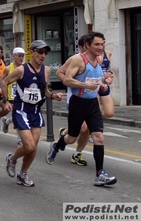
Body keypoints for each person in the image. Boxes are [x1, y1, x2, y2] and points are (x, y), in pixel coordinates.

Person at [46, 32, 117, 186]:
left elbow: (100, 76)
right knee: (71, 138)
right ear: (88, 45)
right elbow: (67, 79)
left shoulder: (100, 59)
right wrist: (85, 85)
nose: (100, 47)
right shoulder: (78, 60)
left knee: (99, 137)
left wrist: (105, 80)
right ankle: (57, 145)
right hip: (78, 103)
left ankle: (100, 174)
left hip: (92, 103)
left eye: (102, 44)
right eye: (97, 44)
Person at [1, 40, 63, 187]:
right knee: (28, 146)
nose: (43, 55)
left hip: (36, 111)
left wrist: (53, 96)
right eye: (40, 52)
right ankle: (12, 159)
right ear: (32, 52)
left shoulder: (46, 70)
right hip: (21, 109)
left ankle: (23, 174)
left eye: (45, 53)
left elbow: (45, 90)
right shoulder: (22, 70)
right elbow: (4, 82)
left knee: (33, 147)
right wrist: (5, 101)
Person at [55, 35, 90, 166]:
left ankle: (77, 153)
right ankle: (65, 135)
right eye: (85, 46)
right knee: (83, 128)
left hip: (91, 98)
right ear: (81, 47)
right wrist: (71, 82)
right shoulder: (75, 59)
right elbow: (59, 72)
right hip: (75, 98)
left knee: (87, 129)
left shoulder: (96, 60)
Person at [0, 47, 25, 134]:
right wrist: (5, 98)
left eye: (22, 56)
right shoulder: (8, 69)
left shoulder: (25, 68)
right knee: (18, 117)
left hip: (23, 96)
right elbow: (3, 82)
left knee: (20, 117)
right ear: (14, 56)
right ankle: (20, 141)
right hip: (12, 96)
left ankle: (7, 122)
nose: (21, 58)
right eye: (19, 56)